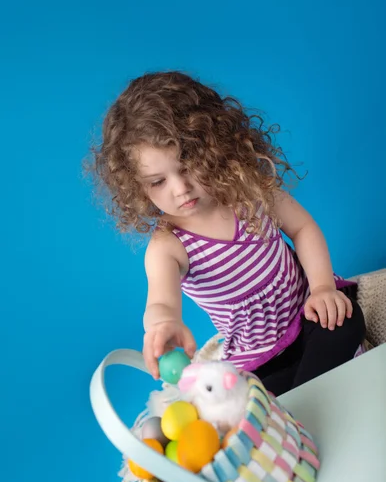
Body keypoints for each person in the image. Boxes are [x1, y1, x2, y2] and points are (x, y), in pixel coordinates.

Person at [89, 70, 366, 396]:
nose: (180, 189)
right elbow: (161, 301)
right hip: (258, 359)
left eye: (187, 164)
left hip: (309, 317)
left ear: (213, 146)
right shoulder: (169, 246)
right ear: (137, 187)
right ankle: (300, 400)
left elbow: (303, 228)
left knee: (345, 323)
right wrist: (164, 324)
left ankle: (303, 401)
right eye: (158, 181)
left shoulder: (247, 189)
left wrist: (321, 288)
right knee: (245, 396)